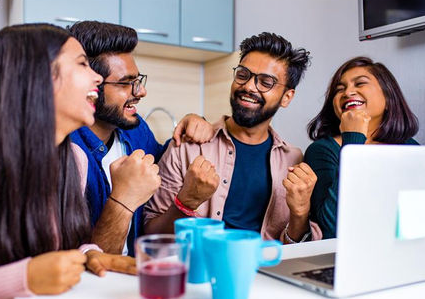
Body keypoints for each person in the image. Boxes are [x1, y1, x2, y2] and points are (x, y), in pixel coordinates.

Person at [0, 24, 136, 299]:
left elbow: (52, 253)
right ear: (37, 75)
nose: (97, 77)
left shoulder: (76, 160)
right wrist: (24, 278)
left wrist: (88, 256)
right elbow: (31, 270)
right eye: (82, 64)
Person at [144, 32, 322, 243]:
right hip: (200, 270)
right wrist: (186, 202)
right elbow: (151, 235)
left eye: (266, 82)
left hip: (265, 273)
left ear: (286, 97)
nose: (248, 86)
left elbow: (293, 248)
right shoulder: (188, 147)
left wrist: (300, 214)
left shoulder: (293, 160)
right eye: (243, 74)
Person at [68, 21, 214, 256]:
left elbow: (164, 160)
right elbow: (90, 263)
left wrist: (192, 123)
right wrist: (122, 198)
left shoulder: (135, 131)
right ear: (90, 86)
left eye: (138, 81)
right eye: (126, 83)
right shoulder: (66, 152)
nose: (141, 92)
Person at [304, 56, 419, 239]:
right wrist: (353, 139)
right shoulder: (323, 150)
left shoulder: (410, 148)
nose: (348, 92)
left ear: (388, 97)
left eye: (360, 84)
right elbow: (333, 227)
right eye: (339, 89)